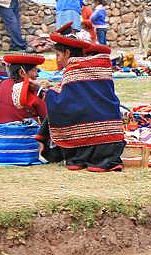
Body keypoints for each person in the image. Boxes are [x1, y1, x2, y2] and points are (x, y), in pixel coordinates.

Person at [40, 31, 125, 172]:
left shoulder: (73, 70)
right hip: (112, 141)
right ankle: (101, 160)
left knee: (56, 112)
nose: (58, 60)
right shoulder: (101, 68)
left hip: (84, 144)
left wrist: (46, 94)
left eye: (58, 55)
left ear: (67, 53)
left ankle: (77, 159)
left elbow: (63, 105)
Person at [0, 54, 47, 124]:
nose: (37, 75)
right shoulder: (32, 89)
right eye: (35, 71)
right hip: (26, 133)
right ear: (22, 72)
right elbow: (46, 117)